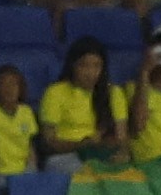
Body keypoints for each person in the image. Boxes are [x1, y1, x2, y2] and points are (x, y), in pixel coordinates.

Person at [37, 37, 126, 170]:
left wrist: (121, 153)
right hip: (64, 156)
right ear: (72, 65)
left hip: (100, 154)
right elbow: (49, 142)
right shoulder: (55, 92)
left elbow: (122, 138)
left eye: (97, 66)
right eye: (84, 65)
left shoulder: (114, 93)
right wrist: (80, 145)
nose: (90, 73)